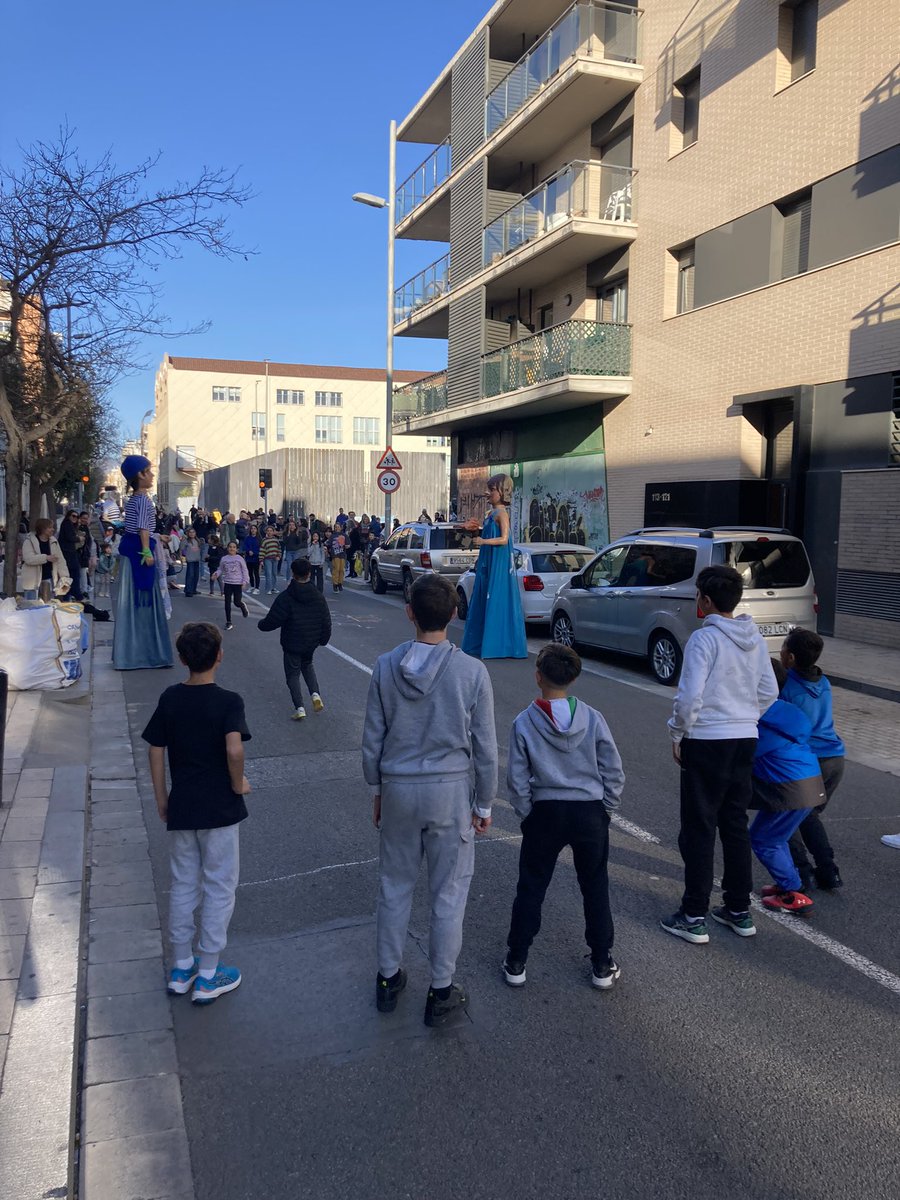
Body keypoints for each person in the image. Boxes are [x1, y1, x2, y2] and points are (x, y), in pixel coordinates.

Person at [362, 574, 497, 1028]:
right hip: (450, 792)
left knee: (394, 886)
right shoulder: (471, 671)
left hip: (399, 788)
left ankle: (387, 978)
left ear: (409, 613)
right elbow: (486, 747)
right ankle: (441, 989)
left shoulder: (386, 666)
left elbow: (372, 738)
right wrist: (484, 803)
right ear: (454, 614)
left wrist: (376, 789)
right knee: (449, 892)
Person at [661, 565, 778, 944]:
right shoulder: (755, 638)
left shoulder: (704, 639)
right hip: (745, 738)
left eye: (698, 594)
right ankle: (738, 909)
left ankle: (693, 914)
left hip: (707, 739)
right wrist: (745, 717)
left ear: (706, 600)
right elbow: (769, 691)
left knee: (699, 827)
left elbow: (689, 697)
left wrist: (678, 732)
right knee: (734, 824)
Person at [503, 644, 625, 990]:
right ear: (574, 677)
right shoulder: (592, 717)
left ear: (538, 676)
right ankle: (602, 962)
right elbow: (613, 769)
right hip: (589, 811)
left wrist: (527, 813)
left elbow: (516, 778)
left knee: (532, 885)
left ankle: (517, 959)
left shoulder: (524, 722)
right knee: (595, 886)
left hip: (545, 811)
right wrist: (607, 808)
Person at [142, 622, 250, 1005]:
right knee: (219, 886)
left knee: (183, 883)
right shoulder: (229, 701)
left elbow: (155, 749)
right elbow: (234, 749)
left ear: (181, 659)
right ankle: (208, 971)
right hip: (220, 809)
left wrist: (162, 797)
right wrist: (238, 783)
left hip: (183, 806)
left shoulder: (170, 698)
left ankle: (181, 966)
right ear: (219, 656)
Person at [749, 665, 822, 917]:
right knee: (773, 837)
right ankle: (787, 884)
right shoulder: (786, 711)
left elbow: (744, 754)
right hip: (810, 781)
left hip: (788, 788)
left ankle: (794, 892)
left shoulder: (757, 719)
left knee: (765, 840)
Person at [778, 628, 846, 891]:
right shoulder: (823, 682)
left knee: (788, 816)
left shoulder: (788, 688)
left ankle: (801, 872)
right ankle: (828, 870)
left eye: (784, 647)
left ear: (791, 657)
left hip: (808, 761)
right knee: (808, 815)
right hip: (835, 759)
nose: (781, 651)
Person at [113, 455, 173, 671]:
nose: (152, 475)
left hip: (131, 551)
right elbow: (142, 529)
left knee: (132, 602)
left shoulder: (134, 500)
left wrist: (157, 537)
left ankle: (130, 653)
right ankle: (148, 654)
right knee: (144, 600)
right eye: (149, 471)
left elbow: (139, 529)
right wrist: (147, 551)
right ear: (140, 475)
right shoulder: (143, 500)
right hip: (139, 552)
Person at [460, 473, 527, 660]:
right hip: (488, 562)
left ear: (502, 492)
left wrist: (483, 541)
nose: (487, 493)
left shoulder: (501, 514)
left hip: (498, 562)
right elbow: (487, 537)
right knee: (485, 596)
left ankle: (497, 645)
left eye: (491, 490)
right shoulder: (491, 515)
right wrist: (475, 532)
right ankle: (485, 643)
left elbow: (504, 539)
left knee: (495, 596)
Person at [257, 557, 331, 719]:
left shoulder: (287, 596)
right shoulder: (318, 596)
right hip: (311, 641)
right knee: (307, 665)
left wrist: (261, 625)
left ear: (293, 573)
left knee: (292, 674)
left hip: (292, 641)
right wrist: (323, 639)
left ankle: (300, 708)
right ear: (309, 573)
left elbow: (274, 619)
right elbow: (325, 619)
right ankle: (315, 694)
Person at [20, 517, 67, 601]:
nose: (52, 529)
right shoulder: (29, 541)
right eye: (50, 527)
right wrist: (46, 558)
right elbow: (28, 558)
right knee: (31, 605)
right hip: (32, 581)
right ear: (42, 529)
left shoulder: (53, 541)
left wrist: (65, 577)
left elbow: (60, 560)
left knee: (48, 604)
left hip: (48, 578)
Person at [213, 542, 250, 631]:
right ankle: (228, 622)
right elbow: (220, 569)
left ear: (236, 549)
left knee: (237, 602)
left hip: (237, 583)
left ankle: (242, 606)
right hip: (228, 583)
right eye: (230, 547)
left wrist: (245, 581)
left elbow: (245, 570)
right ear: (227, 548)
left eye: (234, 547)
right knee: (227, 603)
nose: (232, 549)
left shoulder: (240, 558)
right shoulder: (224, 559)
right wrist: (216, 574)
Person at [57, 509, 83, 600]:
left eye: (77, 516)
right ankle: (74, 595)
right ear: (68, 516)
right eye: (73, 516)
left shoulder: (69, 525)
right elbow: (70, 537)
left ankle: (68, 595)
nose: (75, 518)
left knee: (69, 575)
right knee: (72, 574)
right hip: (68, 554)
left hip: (68, 553)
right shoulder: (67, 524)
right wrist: (79, 538)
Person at [181, 527, 202, 597]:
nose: (192, 534)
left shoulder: (197, 541)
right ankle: (188, 590)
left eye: (193, 532)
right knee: (190, 575)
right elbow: (182, 548)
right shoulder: (186, 541)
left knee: (196, 576)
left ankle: (193, 589)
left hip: (196, 559)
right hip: (190, 560)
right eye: (190, 532)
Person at [260, 525, 281, 595]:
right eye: (268, 531)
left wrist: (278, 556)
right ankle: (268, 588)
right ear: (266, 532)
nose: (269, 532)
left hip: (275, 558)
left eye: (271, 531)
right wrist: (261, 560)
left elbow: (279, 548)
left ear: (273, 532)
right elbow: (262, 550)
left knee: (274, 573)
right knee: (268, 574)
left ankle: (273, 587)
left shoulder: (276, 540)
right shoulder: (264, 540)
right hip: (267, 559)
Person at [243, 523, 261, 594]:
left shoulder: (259, 539)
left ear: (257, 530)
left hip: (256, 558)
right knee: (250, 573)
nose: (253, 530)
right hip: (249, 558)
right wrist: (248, 551)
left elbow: (260, 548)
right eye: (252, 529)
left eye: (254, 529)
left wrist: (255, 553)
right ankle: (252, 585)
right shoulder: (247, 538)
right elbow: (245, 546)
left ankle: (257, 587)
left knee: (256, 573)